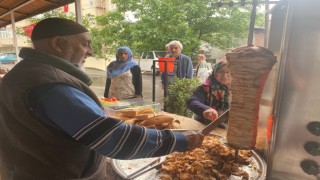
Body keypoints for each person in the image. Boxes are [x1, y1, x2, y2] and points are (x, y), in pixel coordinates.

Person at [0, 18, 204, 179]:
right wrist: (179, 140)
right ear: (58, 44)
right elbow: (111, 137)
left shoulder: (26, 72)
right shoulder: (48, 84)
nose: (91, 51)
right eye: (86, 44)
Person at [187, 61, 231, 125]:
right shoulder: (205, 88)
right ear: (215, 73)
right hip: (204, 125)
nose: (225, 75)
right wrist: (205, 109)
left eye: (228, 72)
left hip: (228, 127)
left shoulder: (236, 89)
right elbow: (192, 101)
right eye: (221, 72)